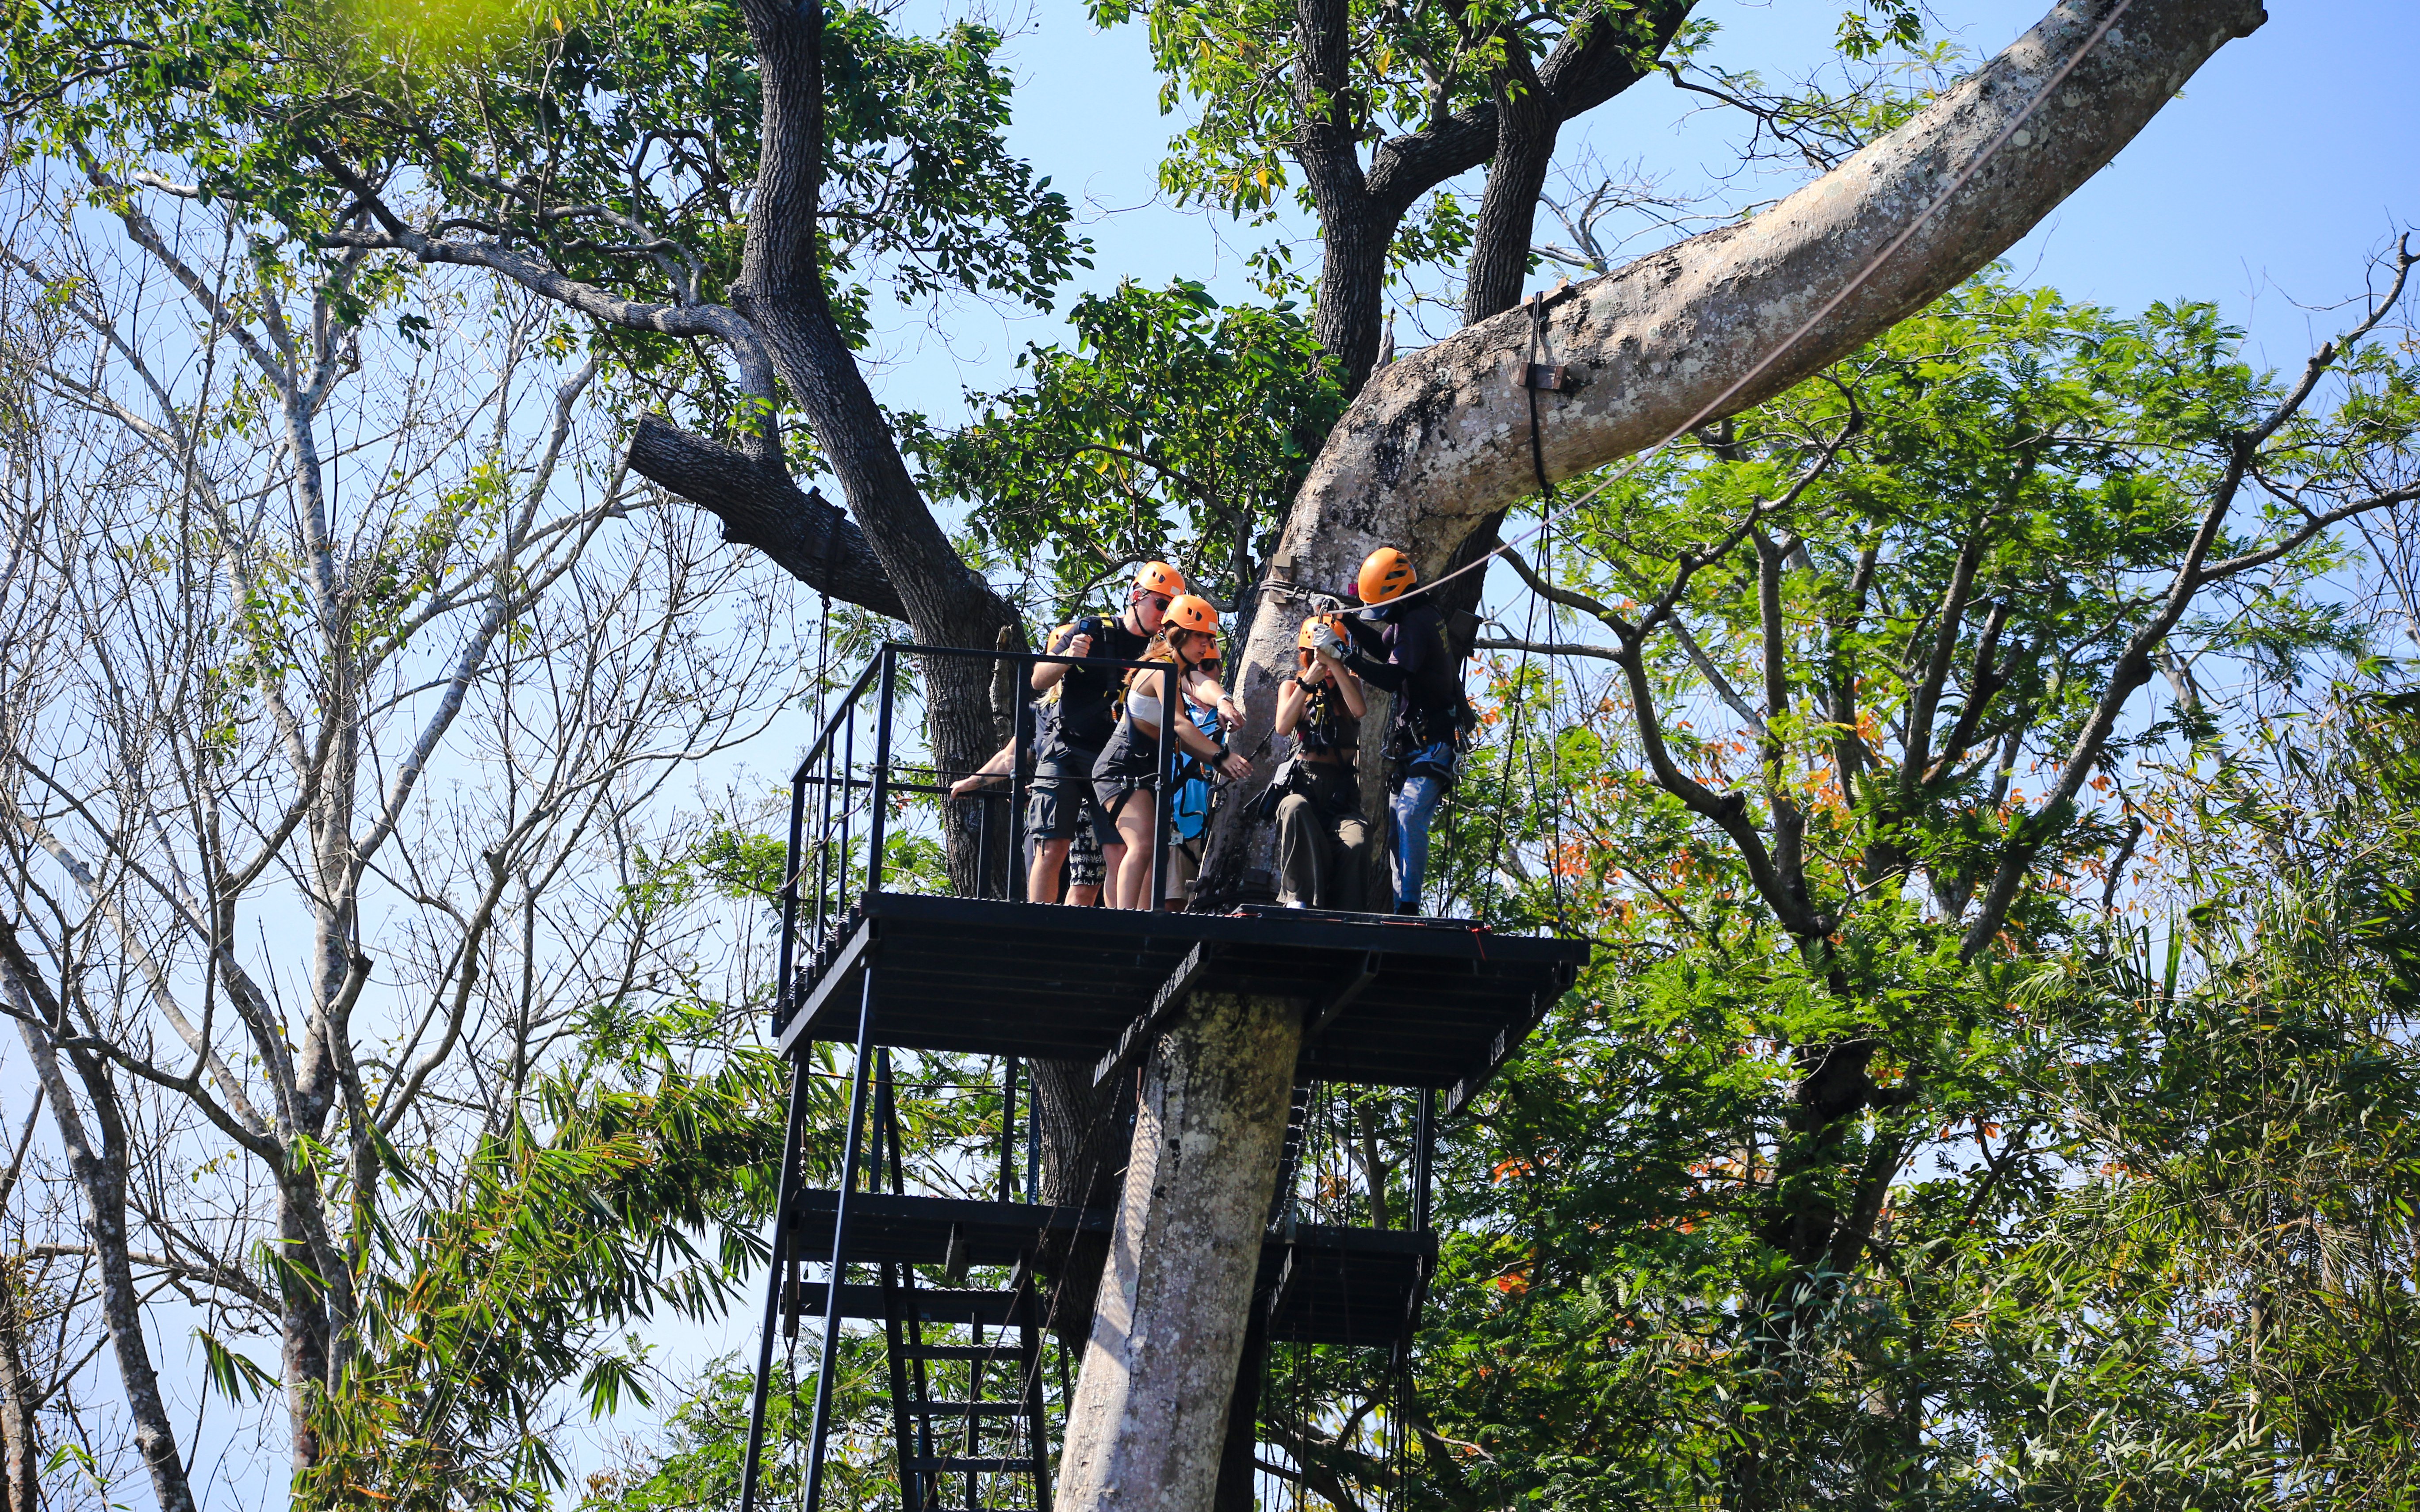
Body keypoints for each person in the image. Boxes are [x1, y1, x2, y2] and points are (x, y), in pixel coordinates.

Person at [1026, 562, 1183, 905]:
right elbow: (1038, 680)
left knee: (1119, 849)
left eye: (1170, 608)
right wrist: (1069, 657)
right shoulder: (1093, 630)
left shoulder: (1162, 653)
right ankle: (1037, 931)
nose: (1164, 615)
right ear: (1136, 597)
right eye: (1160, 604)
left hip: (1113, 763)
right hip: (1067, 749)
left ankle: (1116, 930)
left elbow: (1197, 682)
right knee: (1052, 847)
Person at [1091, 594, 1250, 910]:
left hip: (1143, 769)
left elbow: (1204, 684)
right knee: (1143, 844)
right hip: (1120, 767)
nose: (1205, 645)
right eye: (1199, 636)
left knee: (1154, 849)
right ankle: (1125, 921)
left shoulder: (1179, 672)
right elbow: (1179, 724)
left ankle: (1142, 917)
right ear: (1177, 634)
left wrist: (1223, 702)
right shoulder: (1160, 670)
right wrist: (1221, 757)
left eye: (1209, 638)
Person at [1341, 546, 1466, 915]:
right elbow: (1384, 651)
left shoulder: (1419, 621)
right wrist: (1348, 620)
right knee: (1398, 827)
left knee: (1410, 814)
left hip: (1435, 743)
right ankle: (1402, 907)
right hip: (1413, 746)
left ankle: (1409, 909)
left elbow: (1393, 676)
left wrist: (1346, 658)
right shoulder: (1409, 616)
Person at [1271, 613, 1374, 911]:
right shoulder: (1292, 688)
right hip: (1304, 782)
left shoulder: (1350, 685)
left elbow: (1358, 710)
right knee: (1294, 808)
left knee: (1357, 841)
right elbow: (1283, 726)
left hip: (1341, 789)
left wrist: (1336, 666)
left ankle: (1347, 911)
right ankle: (1299, 899)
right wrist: (1308, 682)